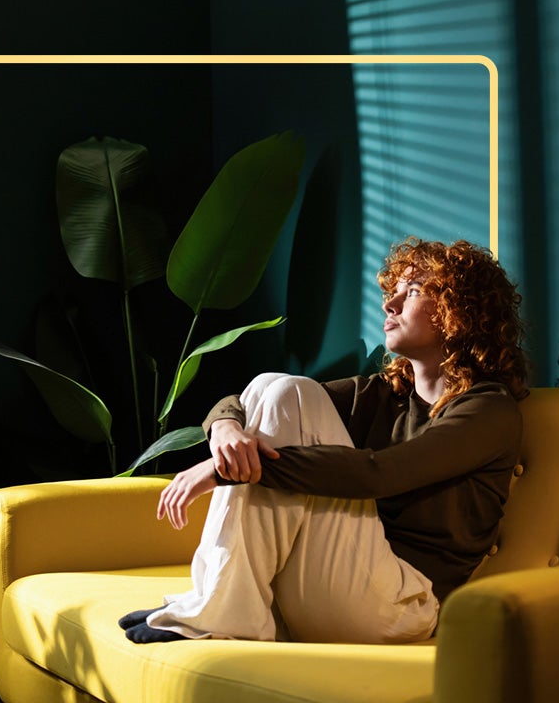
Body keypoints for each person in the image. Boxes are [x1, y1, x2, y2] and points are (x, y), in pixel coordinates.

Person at [120, 237, 530, 645]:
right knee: (274, 386)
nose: (390, 304)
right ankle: (219, 606)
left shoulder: (488, 410)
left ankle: (217, 610)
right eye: (394, 291)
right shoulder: (386, 393)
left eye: (415, 291)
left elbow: (378, 475)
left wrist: (221, 471)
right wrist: (225, 430)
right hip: (332, 588)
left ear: (460, 312)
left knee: (286, 392)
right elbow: (260, 404)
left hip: (399, 606)